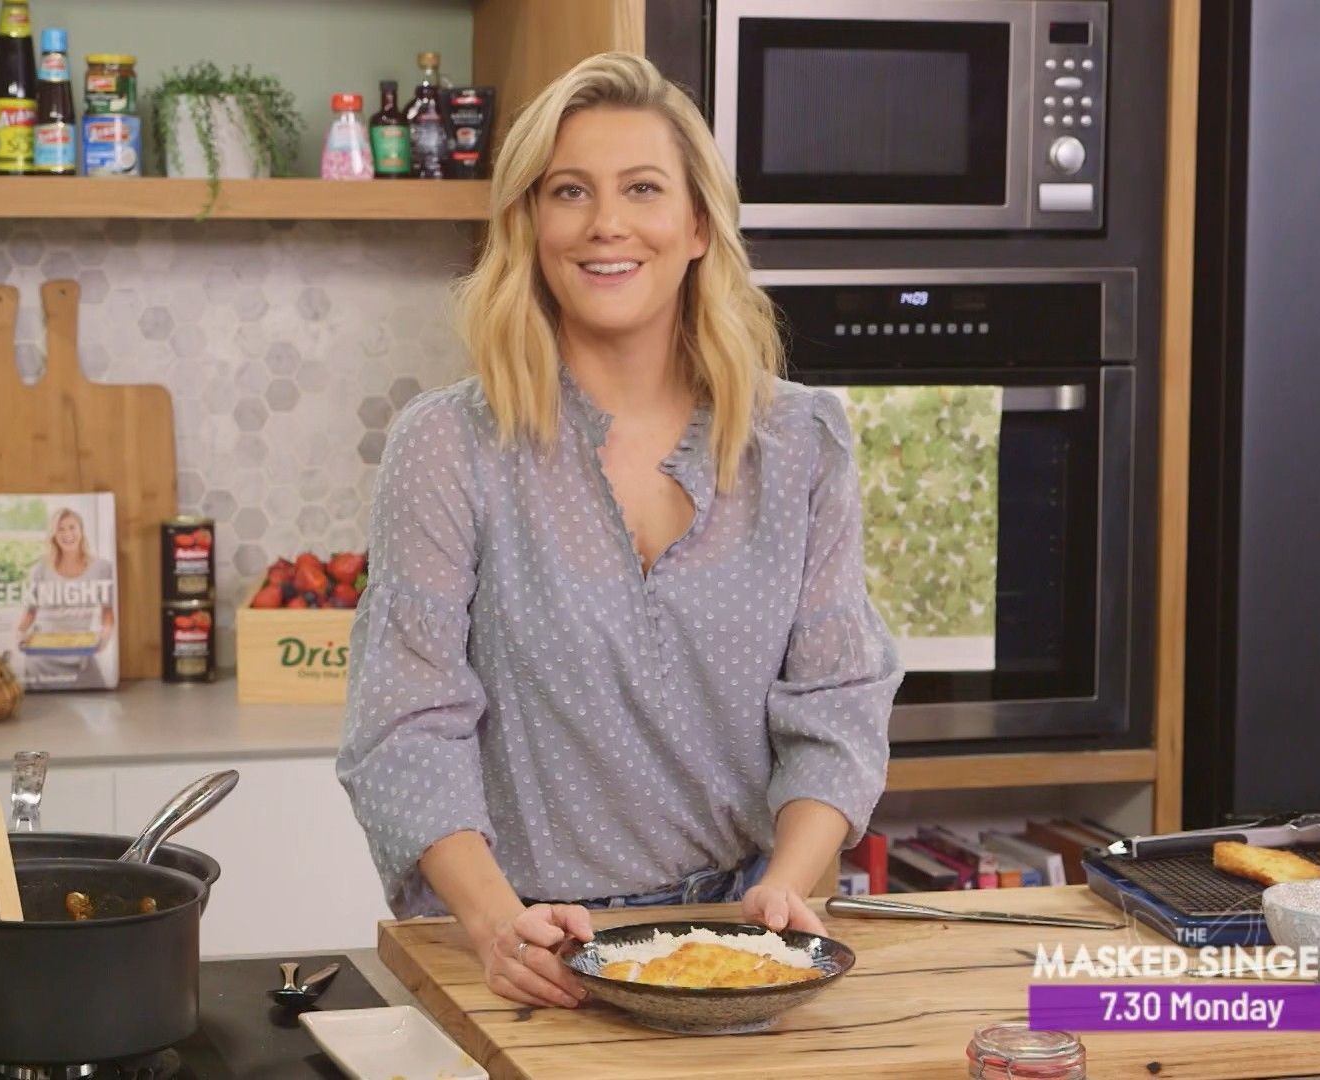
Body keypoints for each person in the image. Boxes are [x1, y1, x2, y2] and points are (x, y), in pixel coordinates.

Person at [336, 52, 900, 1011]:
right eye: (569, 191)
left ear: (697, 226)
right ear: (531, 225)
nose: (606, 223)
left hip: (744, 938)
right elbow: (405, 724)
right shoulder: (449, 444)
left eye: (643, 188)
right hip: (531, 944)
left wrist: (787, 884)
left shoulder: (801, 441)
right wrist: (494, 924)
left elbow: (837, 700)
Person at [15, 506, 116, 689]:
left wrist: (105, 636)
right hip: (41, 659)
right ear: (54, 535)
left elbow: (107, 612)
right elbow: (30, 612)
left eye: (72, 527)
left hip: (82, 655)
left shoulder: (102, 568)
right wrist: (20, 634)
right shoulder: (39, 569)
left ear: (81, 530)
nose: (67, 533)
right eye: (60, 529)